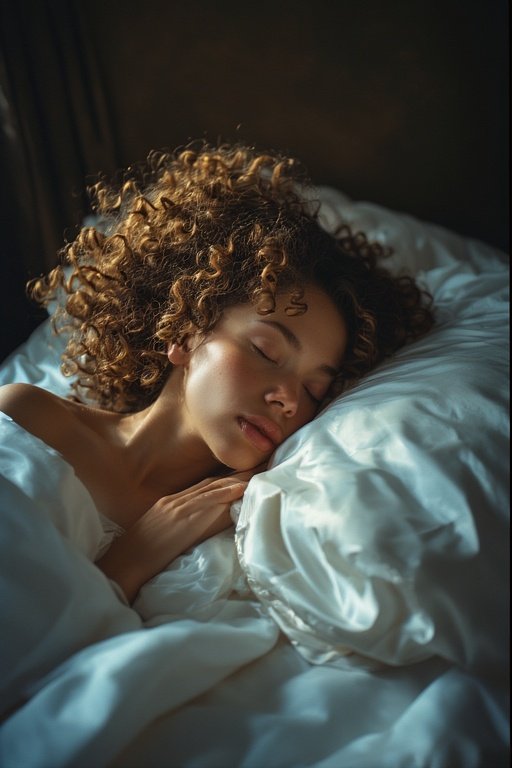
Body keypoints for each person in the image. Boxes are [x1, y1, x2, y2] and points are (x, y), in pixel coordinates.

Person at [0, 142, 433, 602]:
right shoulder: (26, 419)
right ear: (185, 329)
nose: (288, 398)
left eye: (314, 388)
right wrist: (131, 560)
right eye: (266, 350)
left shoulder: (254, 518)